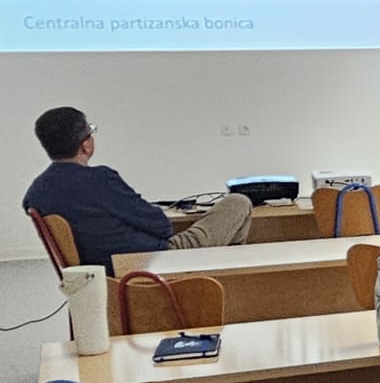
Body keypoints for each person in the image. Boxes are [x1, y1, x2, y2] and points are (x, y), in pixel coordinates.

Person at [22, 107, 251, 273]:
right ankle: (226, 279)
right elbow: (162, 226)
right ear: (86, 144)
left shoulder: (35, 193)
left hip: (99, 275)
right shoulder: (101, 179)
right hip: (153, 261)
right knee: (238, 202)